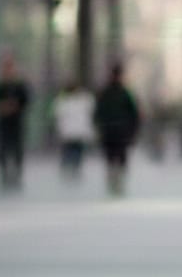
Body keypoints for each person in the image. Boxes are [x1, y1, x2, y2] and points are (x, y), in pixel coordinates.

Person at [93, 62, 140, 195]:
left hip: (119, 131)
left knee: (119, 158)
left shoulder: (123, 93)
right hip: (111, 131)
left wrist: (133, 130)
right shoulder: (111, 93)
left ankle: (118, 184)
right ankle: (114, 183)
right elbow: (98, 112)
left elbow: (134, 114)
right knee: (112, 158)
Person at [0, 54, 31, 190]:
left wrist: (15, 106)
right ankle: (4, 173)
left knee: (17, 148)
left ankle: (17, 173)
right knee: (2, 148)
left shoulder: (19, 85)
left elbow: (26, 101)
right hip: (2, 122)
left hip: (16, 122)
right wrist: (2, 107)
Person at [53, 80, 95, 179]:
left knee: (69, 151)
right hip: (77, 132)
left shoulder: (62, 100)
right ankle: (73, 169)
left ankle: (69, 169)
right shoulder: (83, 99)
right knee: (75, 151)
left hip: (69, 132)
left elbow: (57, 114)